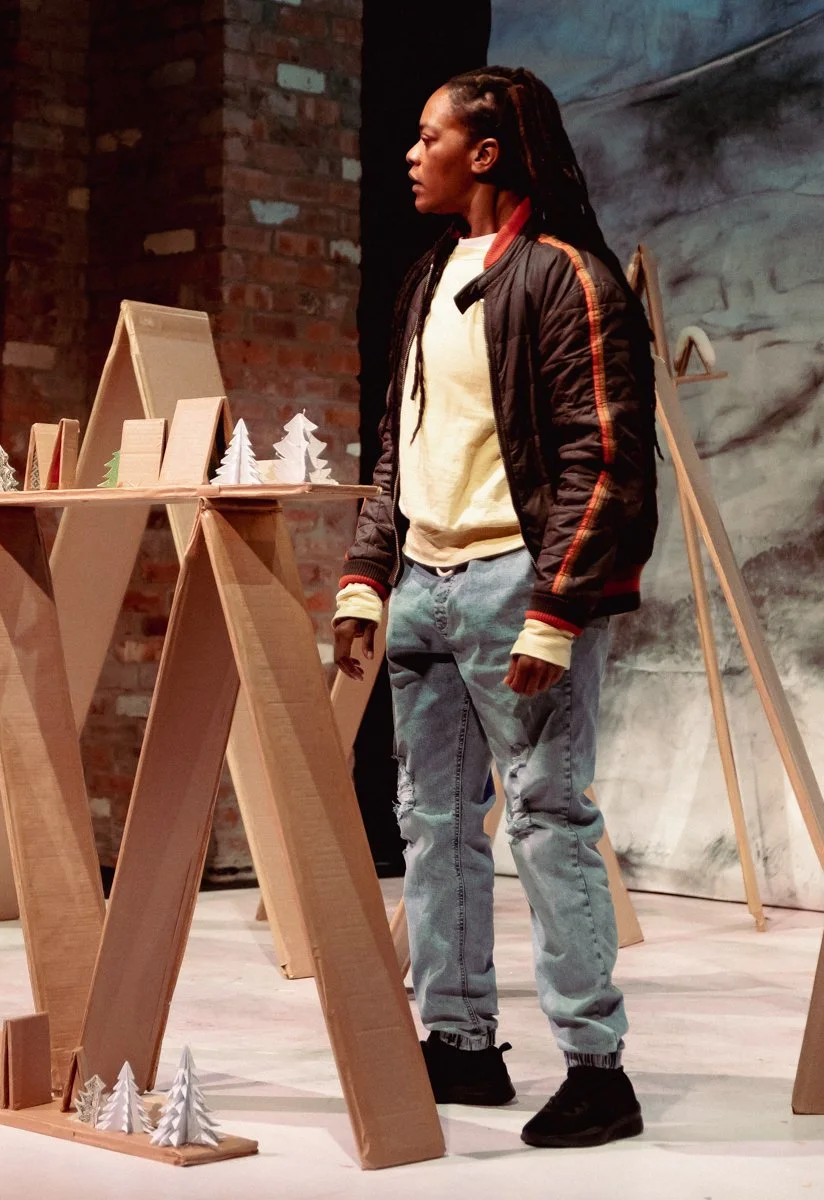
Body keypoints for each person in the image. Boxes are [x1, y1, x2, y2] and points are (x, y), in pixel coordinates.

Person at [333, 67, 658, 1148]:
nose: (409, 154)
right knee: (430, 828)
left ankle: (597, 1068)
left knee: (548, 821)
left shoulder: (570, 278)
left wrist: (557, 609)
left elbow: (603, 458)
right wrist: (366, 573)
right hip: (424, 583)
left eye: (428, 137)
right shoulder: (430, 278)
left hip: (518, 582)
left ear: (485, 152)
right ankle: (461, 1043)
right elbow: (398, 441)